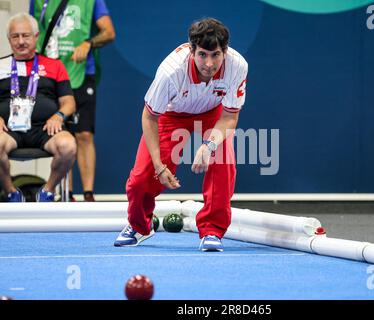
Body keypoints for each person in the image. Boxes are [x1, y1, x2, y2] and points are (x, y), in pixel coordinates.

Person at [114, 18, 248, 252]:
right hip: (170, 115)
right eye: (203, 55)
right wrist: (158, 166)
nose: (209, 64)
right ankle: (139, 226)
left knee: (223, 162)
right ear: (191, 51)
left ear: (225, 52)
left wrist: (208, 145)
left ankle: (212, 230)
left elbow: (229, 117)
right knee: (140, 179)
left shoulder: (238, 66)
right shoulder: (171, 71)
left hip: (213, 115)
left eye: (216, 55)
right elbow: (149, 117)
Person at [30, 0, 116, 201]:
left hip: (81, 73)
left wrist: (89, 43)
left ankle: (88, 194)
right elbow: (31, 31)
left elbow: (109, 32)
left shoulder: (91, 1)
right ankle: (65, 193)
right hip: (49, 75)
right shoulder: (38, 1)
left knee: (84, 134)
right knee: (60, 133)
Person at [0, 13, 77, 202]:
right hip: (8, 129)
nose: (21, 41)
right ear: (9, 39)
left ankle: (47, 192)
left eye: (26, 35)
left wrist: (59, 115)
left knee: (68, 146)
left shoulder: (55, 65)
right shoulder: (0, 65)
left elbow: (69, 102)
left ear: (36, 36)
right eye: (15, 36)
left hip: (46, 128)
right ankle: (11, 192)